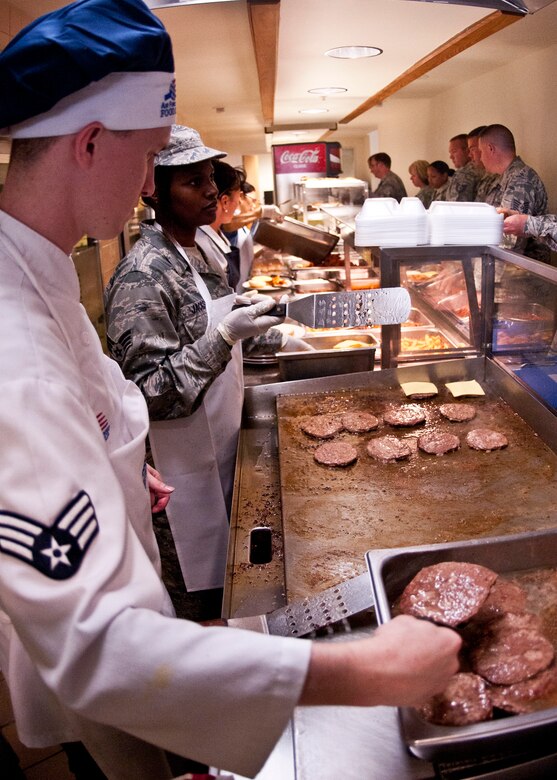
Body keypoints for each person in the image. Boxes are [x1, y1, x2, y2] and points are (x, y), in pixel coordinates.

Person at [0, 2, 462, 778]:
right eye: (148, 157)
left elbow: (99, 402)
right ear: (88, 144)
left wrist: (117, 461)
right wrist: (361, 670)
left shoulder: (33, 268)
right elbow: (98, 647)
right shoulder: (17, 351)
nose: (151, 184)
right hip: (111, 678)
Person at [105, 126, 309, 593]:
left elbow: (219, 328)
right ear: (155, 190)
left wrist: (276, 333)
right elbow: (149, 394)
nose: (212, 190)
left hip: (220, 447)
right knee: (202, 601)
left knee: (233, 585)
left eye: (209, 177)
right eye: (192, 182)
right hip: (179, 477)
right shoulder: (144, 274)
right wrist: (223, 337)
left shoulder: (197, 252)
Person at [478, 124, 549, 260]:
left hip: (524, 273)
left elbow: (510, 243)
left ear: (490, 149)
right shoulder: (507, 177)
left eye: (481, 152)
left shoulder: (520, 180)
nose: (480, 159)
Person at [196, 159, 244, 290]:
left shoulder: (217, 232)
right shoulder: (200, 242)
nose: (238, 205)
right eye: (238, 199)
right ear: (225, 201)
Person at [467, 125, 499, 204]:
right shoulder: (485, 178)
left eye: (473, 149)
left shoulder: (506, 178)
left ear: (489, 148)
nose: (469, 155)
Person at [445, 133, 480, 202]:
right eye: (450, 153)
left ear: (467, 151)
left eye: (454, 152)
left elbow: (456, 206)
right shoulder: (482, 170)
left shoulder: (464, 174)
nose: (451, 157)